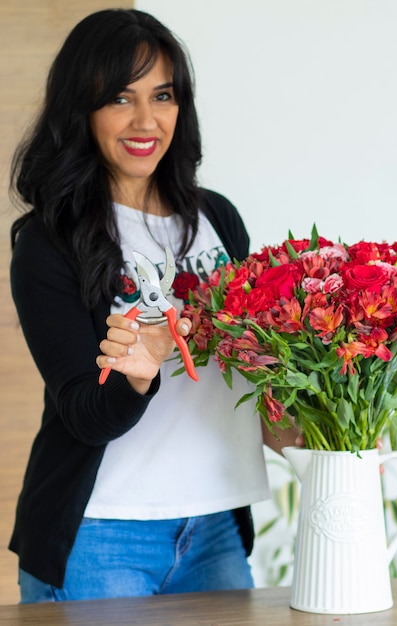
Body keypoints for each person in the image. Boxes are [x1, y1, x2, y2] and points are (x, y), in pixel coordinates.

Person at [9, 8, 299, 603]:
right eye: (120, 97)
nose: (146, 120)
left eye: (162, 95)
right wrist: (135, 377)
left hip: (215, 527)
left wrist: (310, 428)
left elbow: (239, 373)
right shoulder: (50, 240)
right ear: (81, 110)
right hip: (101, 536)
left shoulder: (216, 218)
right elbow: (86, 413)